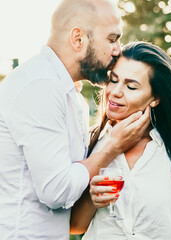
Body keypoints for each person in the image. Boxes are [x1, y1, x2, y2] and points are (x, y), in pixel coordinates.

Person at [0, 1, 150, 240]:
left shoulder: (65, 92)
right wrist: (112, 148)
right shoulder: (40, 86)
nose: (118, 50)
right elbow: (56, 190)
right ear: (78, 38)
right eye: (112, 39)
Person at [70, 41, 171, 240]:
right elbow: (75, 226)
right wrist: (92, 199)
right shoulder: (87, 142)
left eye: (131, 86)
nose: (115, 92)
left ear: (155, 98)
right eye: (113, 80)